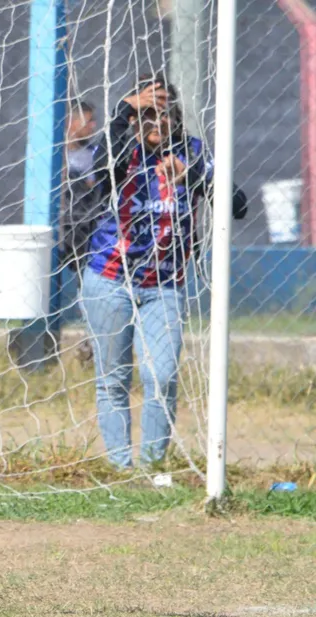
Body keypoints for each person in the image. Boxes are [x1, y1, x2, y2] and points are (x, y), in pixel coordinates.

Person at [81, 73, 248, 469]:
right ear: (134, 118)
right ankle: (121, 467)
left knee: (163, 376)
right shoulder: (121, 148)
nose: (157, 122)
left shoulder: (192, 152)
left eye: (165, 113)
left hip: (165, 286)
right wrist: (125, 109)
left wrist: (191, 177)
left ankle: (152, 466)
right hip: (109, 279)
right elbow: (103, 174)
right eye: (147, 114)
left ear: (176, 116)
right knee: (113, 380)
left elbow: (239, 204)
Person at [60, 100, 109, 363]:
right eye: (88, 121)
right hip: (64, 227)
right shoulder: (57, 155)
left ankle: (90, 339)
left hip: (88, 227)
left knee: (88, 283)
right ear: (71, 122)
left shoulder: (95, 154)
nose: (93, 126)